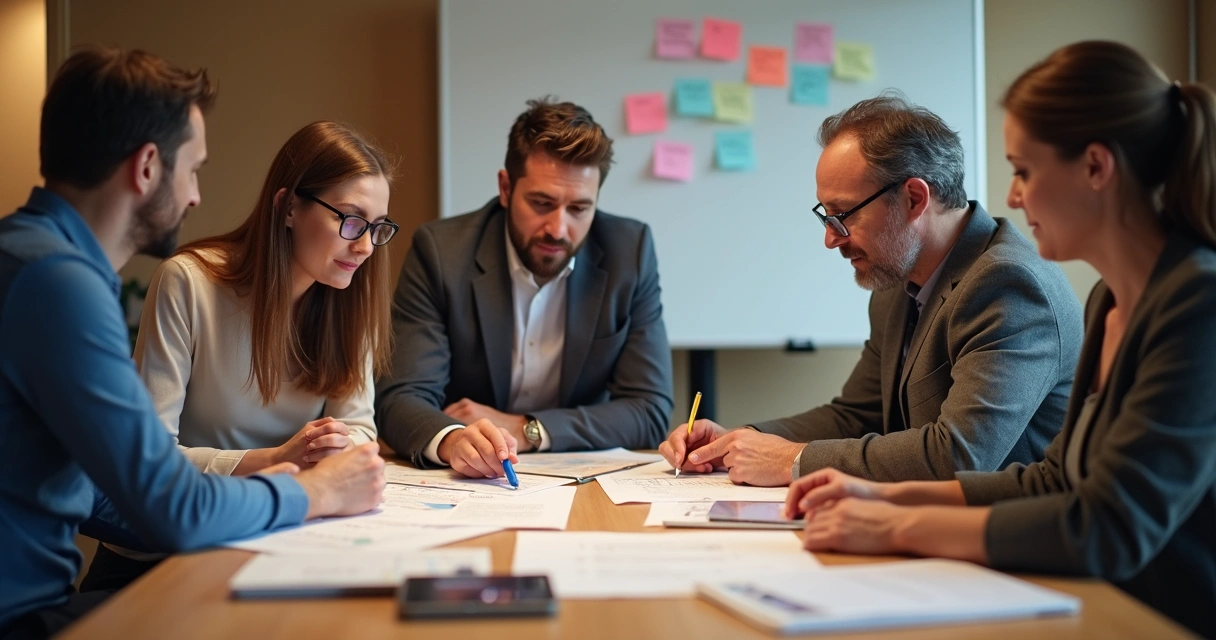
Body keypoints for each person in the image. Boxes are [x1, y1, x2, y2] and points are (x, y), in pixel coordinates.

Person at [783, 41, 1216, 638]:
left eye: (1024, 171)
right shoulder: (1111, 299)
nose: (1012, 196)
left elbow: (1109, 529)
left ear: (1096, 167)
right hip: (1084, 600)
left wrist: (895, 527)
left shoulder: (1198, 305)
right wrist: (889, 498)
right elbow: (1054, 479)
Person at [0, 48, 384, 639]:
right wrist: (305, 489)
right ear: (148, 167)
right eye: (193, 168)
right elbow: (170, 506)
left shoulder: (32, 257)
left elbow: (106, 490)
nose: (197, 195)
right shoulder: (57, 284)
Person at [660, 94, 1083, 487]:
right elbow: (858, 415)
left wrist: (794, 460)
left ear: (915, 199)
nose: (831, 239)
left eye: (842, 215)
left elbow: (958, 454)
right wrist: (741, 439)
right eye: (826, 216)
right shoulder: (897, 281)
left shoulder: (1007, 286)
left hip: (1011, 550)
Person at [80, 121, 399, 591]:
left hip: (284, 542)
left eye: (377, 227)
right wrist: (273, 459)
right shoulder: (187, 283)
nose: (366, 245)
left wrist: (338, 446)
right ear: (289, 207)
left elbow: (358, 427)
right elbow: (150, 462)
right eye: (350, 220)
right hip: (162, 556)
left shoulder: (350, 296)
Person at [377, 97, 673, 478]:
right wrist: (452, 439)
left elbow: (649, 410)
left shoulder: (628, 252)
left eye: (579, 209)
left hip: (582, 475)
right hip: (470, 478)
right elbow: (400, 398)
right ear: (505, 188)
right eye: (541, 203)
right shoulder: (442, 253)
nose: (558, 228)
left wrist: (527, 428)